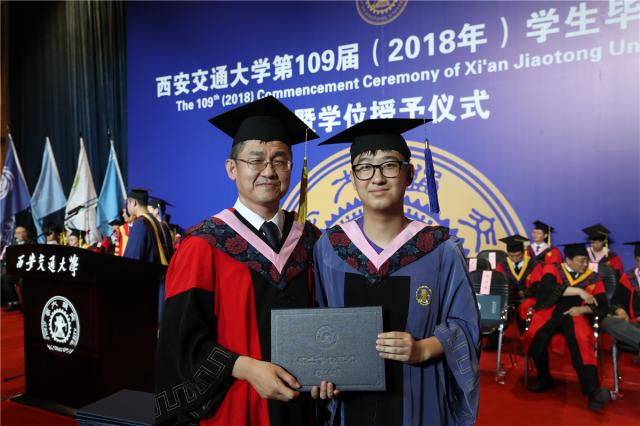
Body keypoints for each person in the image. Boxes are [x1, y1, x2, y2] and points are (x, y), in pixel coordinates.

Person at [154, 96, 321, 426]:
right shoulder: (203, 245)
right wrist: (245, 367)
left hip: (304, 408)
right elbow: (180, 343)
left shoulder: (311, 241)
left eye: (280, 161)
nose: (268, 171)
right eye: (255, 160)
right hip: (236, 407)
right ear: (232, 168)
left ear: (292, 168)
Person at [312, 119, 480, 425]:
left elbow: (465, 325)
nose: (377, 178)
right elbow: (318, 322)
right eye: (365, 167)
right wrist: (321, 370)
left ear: (410, 174)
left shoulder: (440, 249)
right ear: (353, 178)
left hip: (419, 394)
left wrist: (424, 349)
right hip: (349, 399)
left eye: (389, 165)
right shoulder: (330, 248)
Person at [522, 243, 610, 411]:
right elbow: (546, 290)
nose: (585, 264)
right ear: (568, 260)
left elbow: (603, 305)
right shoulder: (553, 269)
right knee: (535, 335)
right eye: (581, 261)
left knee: (582, 341)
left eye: (586, 260)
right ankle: (544, 378)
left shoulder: (594, 278)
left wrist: (583, 309)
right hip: (550, 312)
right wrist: (579, 291)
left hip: (575, 314)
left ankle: (592, 391)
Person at [495, 234, 544, 333]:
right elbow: (500, 285)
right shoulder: (502, 266)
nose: (515, 258)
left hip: (527, 298)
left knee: (528, 306)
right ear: (507, 253)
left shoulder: (534, 264)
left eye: (518, 255)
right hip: (509, 298)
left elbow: (537, 285)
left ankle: (526, 335)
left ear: (523, 252)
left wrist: (525, 293)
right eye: (511, 256)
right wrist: (513, 293)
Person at [602, 241, 640, 356]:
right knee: (608, 322)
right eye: (639, 260)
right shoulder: (629, 277)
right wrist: (621, 311)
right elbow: (616, 301)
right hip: (633, 326)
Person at [123, 189, 169, 265]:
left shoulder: (140, 223)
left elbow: (133, 256)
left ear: (134, 203)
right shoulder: (155, 221)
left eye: (127, 203)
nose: (127, 206)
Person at [148, 196, 175, 261]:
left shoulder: (158, 228)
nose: (147, 212)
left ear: (156, 210)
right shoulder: (169, 227)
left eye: (149, 209)